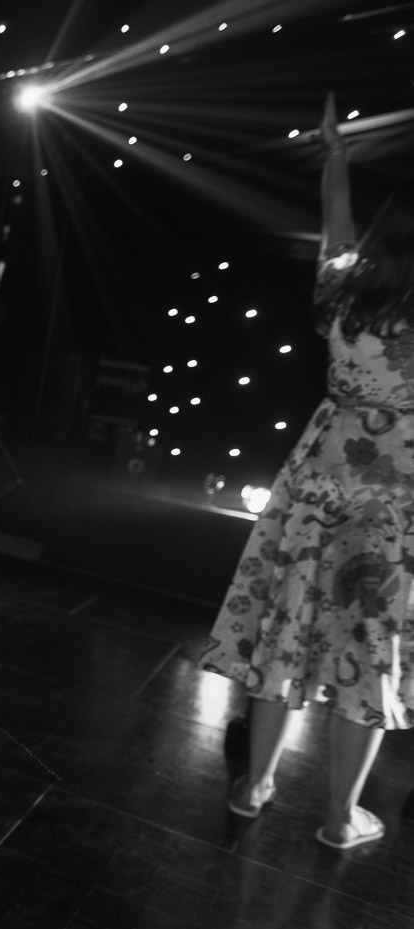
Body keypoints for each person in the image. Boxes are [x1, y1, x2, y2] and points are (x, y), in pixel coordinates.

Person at [201, 93, 414, 851]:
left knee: (286, 632)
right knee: (369, 650)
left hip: (321, 472)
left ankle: (255, 788)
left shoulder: (345, 287)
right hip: (397, 492)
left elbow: (337, 227)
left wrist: (335, 156)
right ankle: (337, 819)